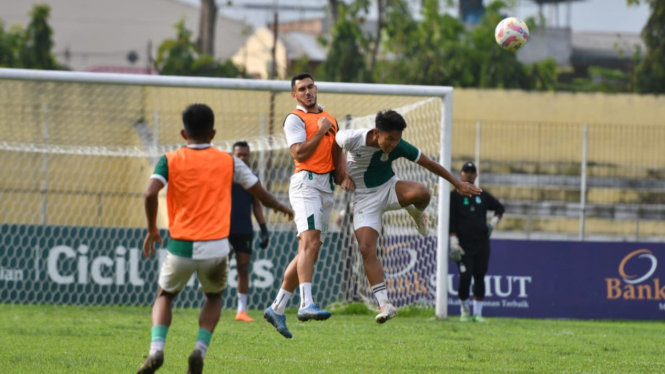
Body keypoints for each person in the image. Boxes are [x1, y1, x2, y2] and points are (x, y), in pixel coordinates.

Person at [137, 104, 293, 374]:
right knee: (213, 297)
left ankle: (157, 350)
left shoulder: (170, 159)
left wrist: (152, 228)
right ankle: (199, 350)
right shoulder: (229, 161)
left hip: (181, 245)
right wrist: (283, 207)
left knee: (165, 295)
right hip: (216, 247)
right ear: (213, 133)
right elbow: (262, 195)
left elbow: (150, 193)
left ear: (184, 133)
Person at [335, 110, 482, 323]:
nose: (394, 143)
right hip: (364, 199)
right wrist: (341, 175)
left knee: (423, 193)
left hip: (389, 188)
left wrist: (456, 183)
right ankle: (385, 305)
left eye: (398, 139)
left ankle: (416, 213)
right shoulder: (352, 138)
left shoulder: (399, 145)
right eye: (390, 139)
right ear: (377, 133)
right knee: (366, 248)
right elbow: (334, 142)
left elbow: (430, 164)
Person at [263, 73, 353, 339]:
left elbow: (337, 156)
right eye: (301, 89)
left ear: (316, 88)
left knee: (310, 250)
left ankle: (277, 307)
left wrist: (344, 176)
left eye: (310, 86)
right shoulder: (295, 118)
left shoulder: (331, 119)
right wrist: (322, 130)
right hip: (306, 184)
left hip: (326, 187)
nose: (308, 92)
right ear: (295, 95)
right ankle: (305, 304)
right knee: (309, 244)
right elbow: (299, 153)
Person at [449, 161, 505, 323]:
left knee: (480, 276)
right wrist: (453, 241)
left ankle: (478, 313)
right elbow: (451, 219)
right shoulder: (454, 196)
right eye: (466, 171)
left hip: (482, 243)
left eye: (472, 172)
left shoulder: (482, 195)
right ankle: (464, 311)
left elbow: (500, 208)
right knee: (465, 277)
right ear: (461, 174)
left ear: (476, 175)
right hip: (462, 245)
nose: (469, 174)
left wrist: (492, 223)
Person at [229, 141, 270, 323]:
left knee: (243, 269)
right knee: (218, 268)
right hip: (223, 229)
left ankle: (241, 310)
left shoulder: (252, 178)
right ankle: (211, 303)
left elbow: (256, 205)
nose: (243, 158)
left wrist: (263, 229)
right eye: (239, 155)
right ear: (233, 155)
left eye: (246, 155)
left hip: (245, 229)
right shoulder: (225, 176)